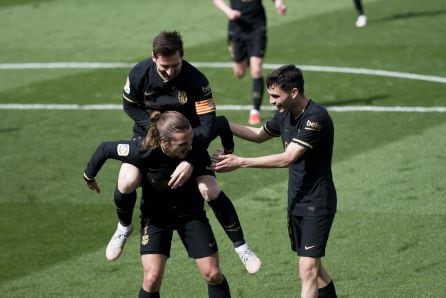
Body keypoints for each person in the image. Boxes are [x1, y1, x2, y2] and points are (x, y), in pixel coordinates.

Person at [108, 30, 261, 274]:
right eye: (165, 66)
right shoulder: (139, 72)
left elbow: (209, 122)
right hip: (148, 137)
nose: (170, 71)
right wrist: (156, 132)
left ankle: (241, 246)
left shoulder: (196, 80)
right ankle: (123, 226)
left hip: (188, 142)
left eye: (175, 65)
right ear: (154, 57)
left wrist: (190, 159)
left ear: (182, 56)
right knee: (127, 181)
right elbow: (130, 106)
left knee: (209, 189)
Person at [211, 65, 338, 297]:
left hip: (317, 203)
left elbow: (288, 158)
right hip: (296, 200)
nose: (271, 101)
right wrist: (222, 124)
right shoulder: (285, 115)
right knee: (316, 271)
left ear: (294, 92)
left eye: (275, 96)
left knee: (307, 271)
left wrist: (240, 162)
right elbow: (259, 135)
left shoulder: (315, 118)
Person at [84, 111, 231, 297]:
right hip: (156, 216)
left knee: (213, 274)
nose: (191, 146)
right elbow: (106, 148)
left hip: (190, 214)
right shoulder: (142, 149)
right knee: (151, 279)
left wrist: (229, 149)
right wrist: (89, 175)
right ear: (164, 141)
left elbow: (221, 123)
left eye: (190, 140)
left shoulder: (194, 144)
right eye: (182, 144)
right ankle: (123, 226)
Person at [212, 0, 286, 125]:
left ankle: (255, 111)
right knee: (239, 73)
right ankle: (246, 58)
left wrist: (279, 3)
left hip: (256, 27)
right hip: (236, 27)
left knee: (256, 69)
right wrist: (228, 11)